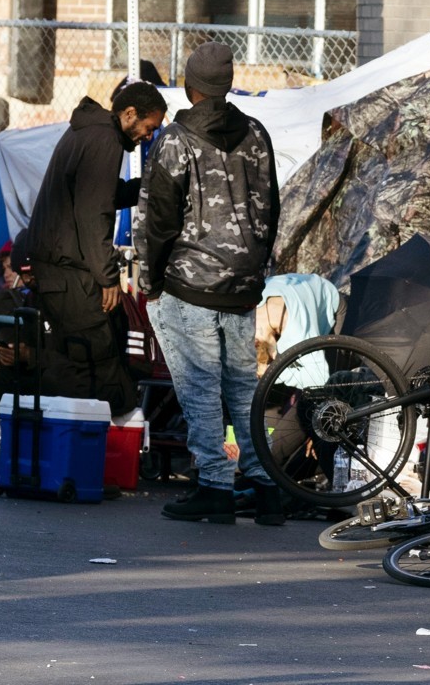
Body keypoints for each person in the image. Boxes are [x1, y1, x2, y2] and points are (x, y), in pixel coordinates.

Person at [135, 41, 284, 525]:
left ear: (188, 85)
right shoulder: (257, 133)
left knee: (200, 387)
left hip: (189, 283)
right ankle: (264, 488)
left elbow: (159, 218)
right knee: (243, 388)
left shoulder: (177, 139)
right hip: (242, 283)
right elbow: (272, 206)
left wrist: (150, 278)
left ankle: (215, 486)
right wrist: (254, 265)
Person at [22, 81, 167, 416]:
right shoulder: (105, 140)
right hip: (69, 273)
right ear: (129, 114)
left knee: (76, 357)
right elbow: (94, 213)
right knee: (93, 363)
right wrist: (107, 277)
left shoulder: (87, 132)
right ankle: (86, 449)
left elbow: (97, 194)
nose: (149, 136)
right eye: (149, 128)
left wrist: (143, 187)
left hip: (56, 271)